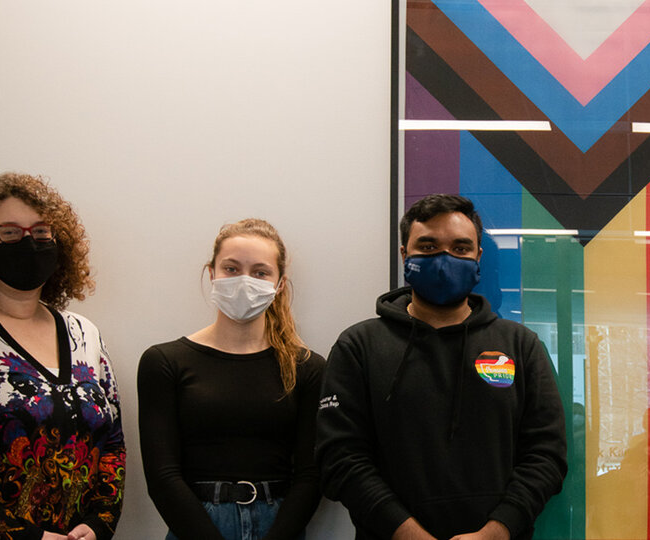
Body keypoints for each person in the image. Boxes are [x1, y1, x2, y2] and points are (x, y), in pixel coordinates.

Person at [315, 194, 567, 540]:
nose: (445, 259)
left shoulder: (521, 346)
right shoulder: (358, 347)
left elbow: (546, 456)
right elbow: (340, 459)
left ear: (478, 257)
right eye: (428, 246)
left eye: (461, 248)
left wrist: (497, 531)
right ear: (405, 254)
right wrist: (406, 533)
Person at [0, 173, 124, 539]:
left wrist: (98, 524)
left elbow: (112, 443)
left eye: (41, 232)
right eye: (10, 232)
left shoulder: (84, 333)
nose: (29, 242)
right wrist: (22, 535)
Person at [137, 218, 326, 540]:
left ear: (279, 284)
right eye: (231, 268)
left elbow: (311, 475)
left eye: (260, 272)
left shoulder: (308, 367)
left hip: (279, 523)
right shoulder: (164, 362)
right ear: (212, 273)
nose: (244, 281)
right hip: (197, 523)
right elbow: (162, 475)